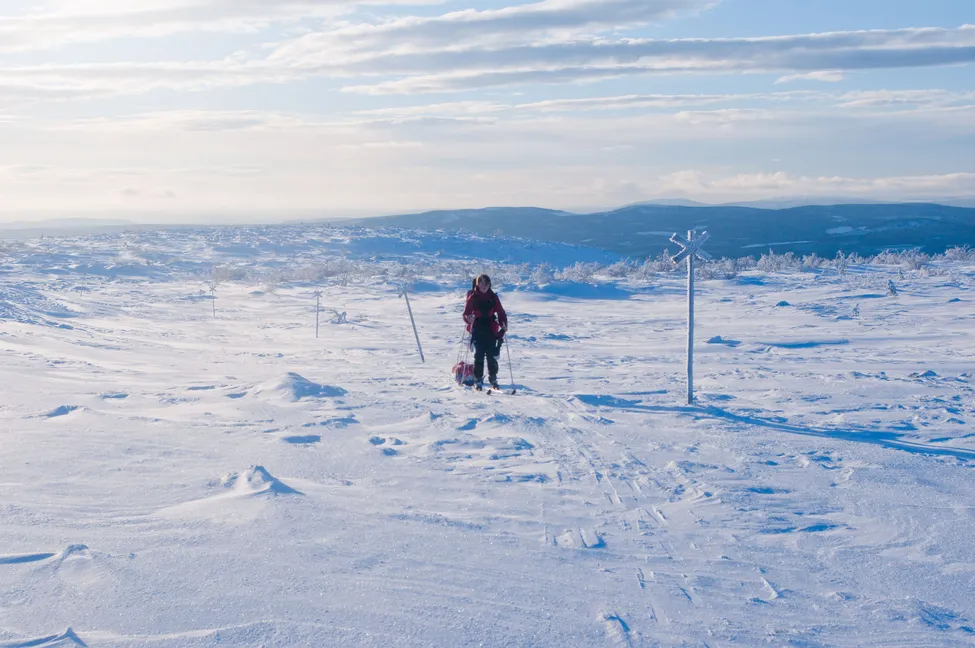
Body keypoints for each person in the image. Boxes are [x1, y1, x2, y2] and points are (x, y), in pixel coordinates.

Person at [462, 274, 507, 390]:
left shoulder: (493, 297)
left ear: (489, 285)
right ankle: (478, 379)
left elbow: (501, 312)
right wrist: (469, 318)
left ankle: (493, 378)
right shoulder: (472, 297)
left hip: (490, 328)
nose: (484, 286)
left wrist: (503, 323)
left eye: (486, 283)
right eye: (481, 283)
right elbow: (466, 313)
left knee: (491, 355)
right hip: (477, 327)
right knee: (479, 355)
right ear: (477, 284)